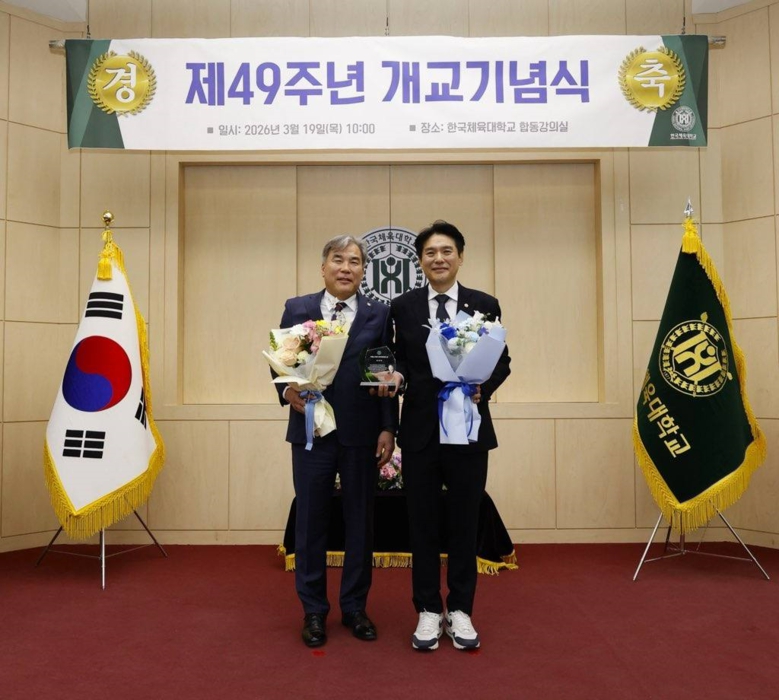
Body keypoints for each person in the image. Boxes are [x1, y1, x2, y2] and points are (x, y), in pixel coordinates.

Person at [388, 220, 511, 651]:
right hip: (420, 432)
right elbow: (399, 361)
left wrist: (483, 387)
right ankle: (426, 609)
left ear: (460, 256)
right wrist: (395, 377)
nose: (438, 259)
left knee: (464, 522)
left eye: (446, 251)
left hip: (470, 431)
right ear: (420, 261)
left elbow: (501, 360)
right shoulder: (402, 307)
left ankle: (460, 610)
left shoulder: (484, 304)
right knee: (421, 523)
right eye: (430, 253)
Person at [276, 235, 398, 647]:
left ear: (363, 271)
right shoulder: (298, 308)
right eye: (338, 259)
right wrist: (287, 391)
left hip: (362, 433)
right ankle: (313, 610)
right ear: (323, 266)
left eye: (355, 261)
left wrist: (389, 427)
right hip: (311, 430)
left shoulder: (379, 313)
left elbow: (385, 371)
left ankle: (354, 607)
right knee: (311, 521)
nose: (346, 267)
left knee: (360, 522)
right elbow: (282, 362)